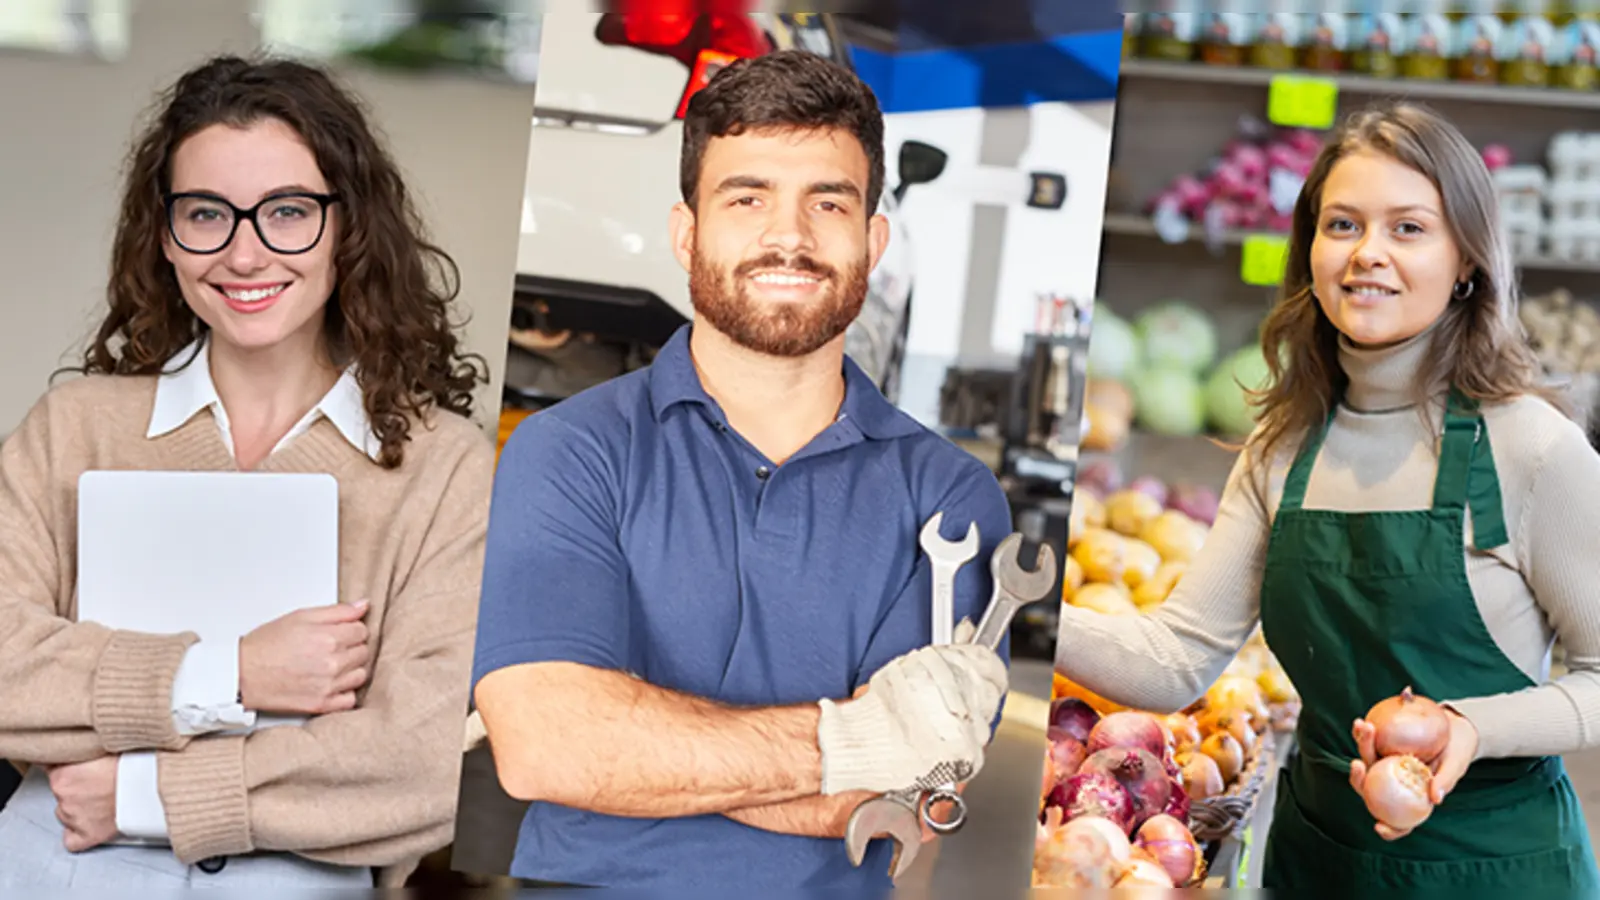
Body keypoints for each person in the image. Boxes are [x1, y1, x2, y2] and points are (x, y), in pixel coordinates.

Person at [470, 50, 1013, 890]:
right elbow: (547, 748)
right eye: (747, 197)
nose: (787, 237)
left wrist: (636, 754)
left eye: (826, 203)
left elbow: (910, 797)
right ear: (688, 232)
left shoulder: (949, 499)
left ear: (873, 240)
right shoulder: (567, 451)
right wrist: (852, 743)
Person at [1053, 102, 1600, 895]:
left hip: (1495, 869)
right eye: (1342, 224)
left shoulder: (1533, 449)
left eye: (1408, 229)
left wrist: (1473, 729)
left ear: (1467, 262)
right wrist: (1018, 612)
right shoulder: (1284, 448)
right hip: (1319, 862)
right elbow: (1176, 659)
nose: (1367, 254)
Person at [0, 55, 494, 888]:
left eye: (288, 211)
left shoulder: (445, 468)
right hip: (50, 864)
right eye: (206, 214)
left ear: (349, 225)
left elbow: (423, 764)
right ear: (164, 234)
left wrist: (149, 792)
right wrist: (231, 670)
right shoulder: (73, 428)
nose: (244, 252)